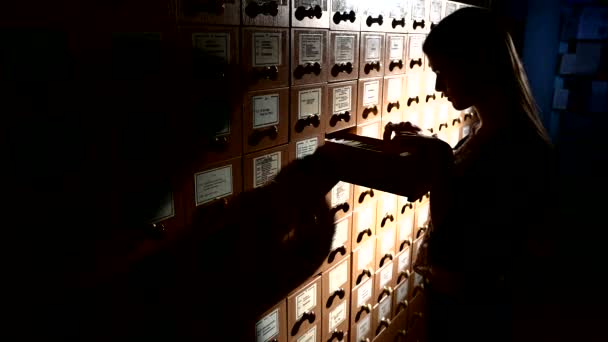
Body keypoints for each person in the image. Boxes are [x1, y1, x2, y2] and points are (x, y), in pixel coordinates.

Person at [390, 7, 559, 342]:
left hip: (476, 315)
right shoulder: (485, 133)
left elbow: (456, 233)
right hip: (454, 300)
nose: (439, 86)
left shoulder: (520, 148)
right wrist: (428, 144)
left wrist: (438, 162)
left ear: (476, 64)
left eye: (443, 71)